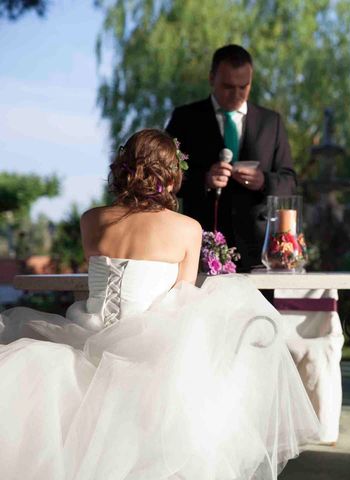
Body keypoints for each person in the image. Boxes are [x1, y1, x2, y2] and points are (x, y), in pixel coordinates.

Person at [0, 129, 318, 479]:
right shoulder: (187, 229)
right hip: (149, 354)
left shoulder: (91, 220)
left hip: (84, 342)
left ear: (123, 168)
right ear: (172, 174)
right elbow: (181, 299)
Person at [166, 44, 296, 271]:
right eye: (227, 86)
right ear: (211, 78)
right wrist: (204, 180)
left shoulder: (270, 122)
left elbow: (290, 182)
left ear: (251, 81)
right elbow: (163, 178)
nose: (236, 94)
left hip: (259, 251)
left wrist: (264, 181)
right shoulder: (186, 118)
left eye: (243, 87)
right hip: (201, 248)